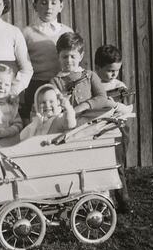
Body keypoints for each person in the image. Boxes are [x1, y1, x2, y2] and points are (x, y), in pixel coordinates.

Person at [23, 0, 73, 118]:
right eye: (44, 3)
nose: (49, 7)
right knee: (38, 123)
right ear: (35, 6)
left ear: (61, 6)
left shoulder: (67, 31)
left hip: (62, 85)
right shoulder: (27, 33)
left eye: (53, 3)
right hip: (35, 86)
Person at [95, 44, 132, 213]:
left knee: (117, 165)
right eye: (110, 70)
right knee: (99, 166)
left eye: (117, 70)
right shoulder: (93, 85)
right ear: (98, 68)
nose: (114, 74)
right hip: (98, 131)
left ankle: (123, 201)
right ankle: (104, 201)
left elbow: (128, 108)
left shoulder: (120, 86)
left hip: (118, 130)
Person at [50, 32, 113, 121]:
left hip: (92, 118)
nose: (69, 60)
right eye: (64, 57)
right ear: (58, 57)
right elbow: (53, 105)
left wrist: (85, 105)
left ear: (81, 56)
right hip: (69, 121)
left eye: (73, 56)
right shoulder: (55, 81)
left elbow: (102, 97)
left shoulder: (89, 75)